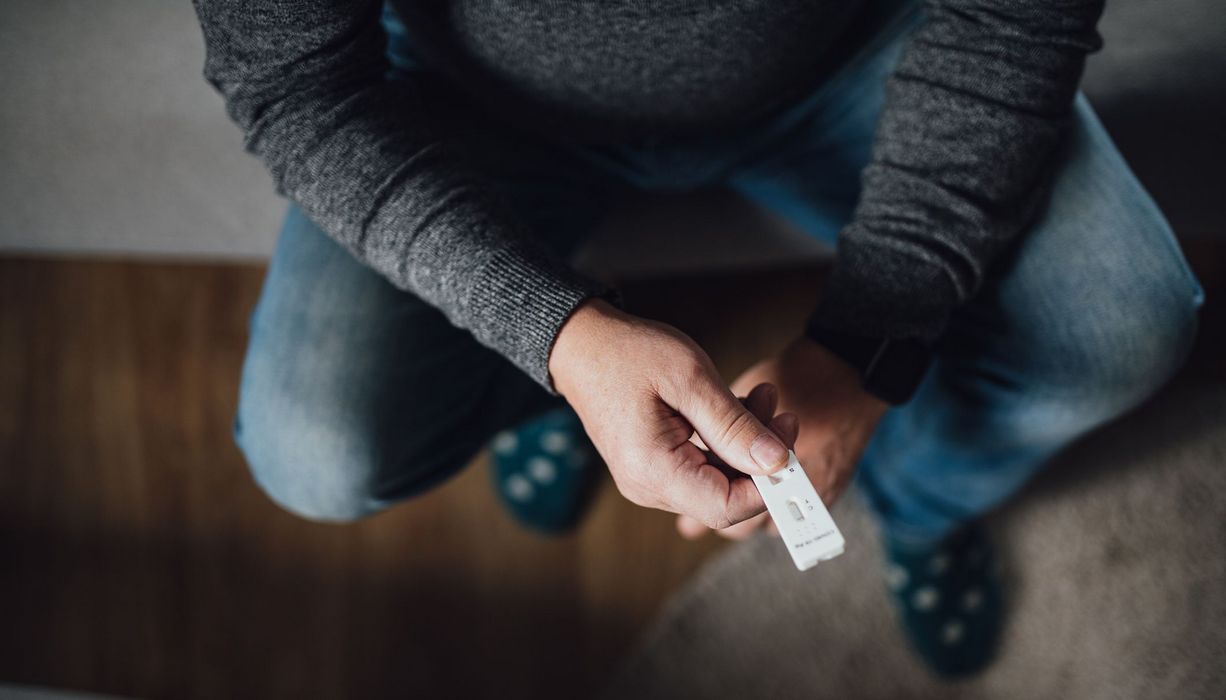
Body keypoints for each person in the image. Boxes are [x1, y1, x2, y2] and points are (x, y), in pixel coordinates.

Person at [193, 0, 1203, 677]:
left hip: (858, 54)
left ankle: (920, 499)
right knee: (314, 453)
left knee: (1123, 322)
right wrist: (549, 332)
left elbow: (1012, 15)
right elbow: (294, 84)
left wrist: (869, 342)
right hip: (466, 100)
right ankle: (571, 388)